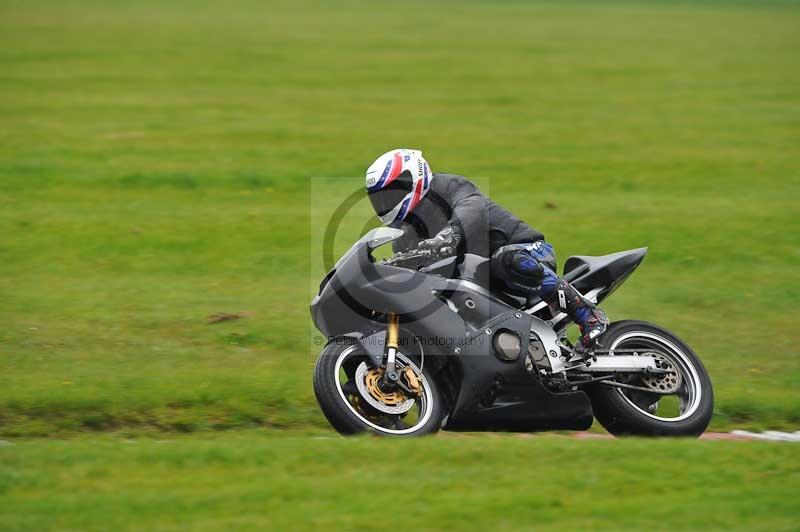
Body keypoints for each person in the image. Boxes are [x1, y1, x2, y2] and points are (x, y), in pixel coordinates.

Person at [365, 148, 609, 348]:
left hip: (526, 251)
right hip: (480, 286)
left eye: (390, 194)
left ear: (411, 179)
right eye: (379, 200)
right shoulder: (405, 235)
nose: (384, 205)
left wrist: (447, 236)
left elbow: (472, 208)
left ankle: (587, 314)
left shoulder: (447, 186)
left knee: (507, 259)